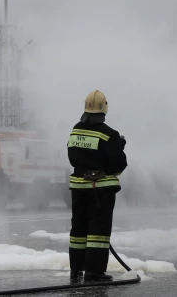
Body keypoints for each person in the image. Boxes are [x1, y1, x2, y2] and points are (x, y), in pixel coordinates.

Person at [67, 90, 127, 283]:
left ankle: (76, 270)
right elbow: (118, 166)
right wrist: (119, 146)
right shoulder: (109, 134)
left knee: (78, 230)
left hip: (78, 188)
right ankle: (94, 272)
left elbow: (74, 157)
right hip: (100, 191)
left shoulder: (75, 130)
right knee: (97, 233)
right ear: (104, 108)